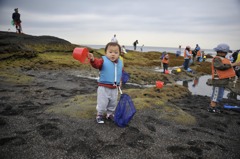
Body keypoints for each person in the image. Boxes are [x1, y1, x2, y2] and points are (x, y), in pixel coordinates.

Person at [88, 42, 123, 124]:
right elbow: (96, 64)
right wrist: (92, 59)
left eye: (116, 52)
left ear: (119, 54)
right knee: (102, 103)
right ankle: (99, 114)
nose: (113, 54)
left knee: (113, 102)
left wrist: (120, 81)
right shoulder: (103, 60)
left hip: (115, 88)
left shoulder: (120, 63)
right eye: (110, 52)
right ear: (106, 53)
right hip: (104, 87)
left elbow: (119, 73)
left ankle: (109, 114)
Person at [207, 43, 236, 113]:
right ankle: (212, 107)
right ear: (222, 52)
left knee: (219, 95)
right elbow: (220, 67)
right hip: (218, 81)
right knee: (216, 95)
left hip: (223, 81)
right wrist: (233, 64)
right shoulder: (217, 59)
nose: (226, 54)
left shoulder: (223, 59)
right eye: (225, 52)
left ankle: (214, 106)